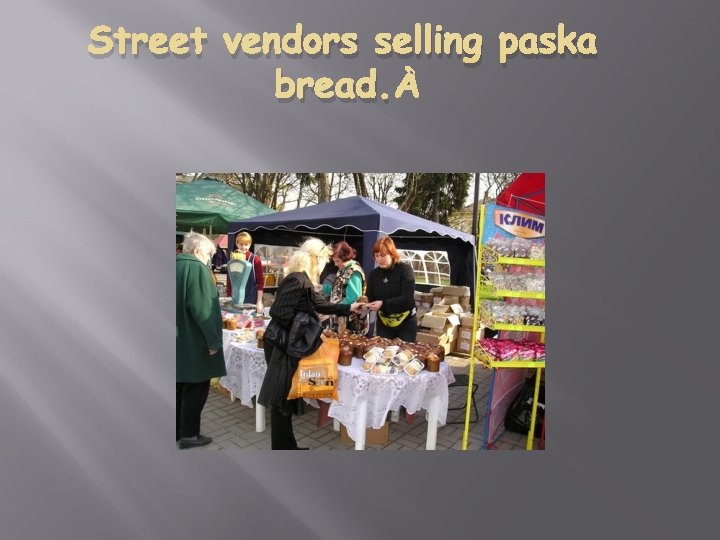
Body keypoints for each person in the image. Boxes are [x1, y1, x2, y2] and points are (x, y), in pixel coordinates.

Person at [257, 246, 361, 450]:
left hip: (287, 345)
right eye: (323, 260)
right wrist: (303, 323)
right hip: (283, 346)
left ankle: (287, 447)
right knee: (282, 398)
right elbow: (279, 312)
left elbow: (321, 304)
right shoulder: (297, 280)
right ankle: (283, 448)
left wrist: (350, 307)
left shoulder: (303, 280)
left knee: (285, 397)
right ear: (314, 259)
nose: (325, 265)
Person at [176, 232, 227, 449]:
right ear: (197, 251)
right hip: (193, 341)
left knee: (179, 385)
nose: (209, 258)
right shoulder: (196, 269)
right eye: (208, 253)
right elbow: (203, 310)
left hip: (179, 341)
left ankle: (178, 429)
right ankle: (189, 434)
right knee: (196, 387)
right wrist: (214, 342)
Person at [365, 236, 417, 342]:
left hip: (406, 322)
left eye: (383, 255)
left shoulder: (405, 270)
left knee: (403, 354)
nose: (379, 259)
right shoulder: (373, 274)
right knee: (383, 352)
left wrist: (383, 304)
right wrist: (365, 304)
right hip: (384, 322)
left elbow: (407, 297)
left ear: (392, 253)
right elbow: (370, 297)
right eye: (377, 255)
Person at [329, 241, 368, 335]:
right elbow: (339, 290)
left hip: (350, 323)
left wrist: (333, 307)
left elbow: (353, 298)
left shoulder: (354, 272)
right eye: (334, 261)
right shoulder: (343, 269)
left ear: (345, 258)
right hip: (341, 317)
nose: (335, 264)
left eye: (337, 261)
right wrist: (324, 289)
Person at [226, 231, 264, 313]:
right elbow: (230, 281)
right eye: (241, 244)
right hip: (235, 300)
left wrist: (259, 302)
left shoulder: (255, 259)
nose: (243, 247)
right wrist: (229, 298)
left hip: (250, 302)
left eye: (246, 244)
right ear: (236, 244)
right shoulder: (233, 260)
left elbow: (260, 282)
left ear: (250, 244)